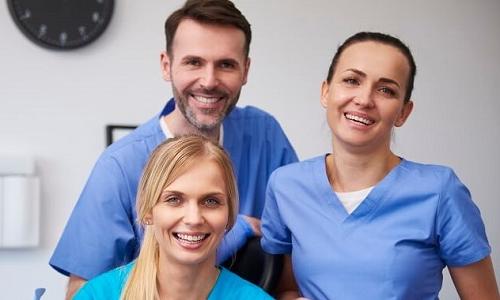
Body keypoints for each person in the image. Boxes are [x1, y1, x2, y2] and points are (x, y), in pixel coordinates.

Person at [50, 0, 297, 298]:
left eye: (226, 64)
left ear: (245, 69)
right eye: (194, 62)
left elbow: (293, 257)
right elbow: (82, 291)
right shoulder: (121, 165)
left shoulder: (264, 136)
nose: (209, 81)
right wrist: (239, 232)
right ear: (167, 65)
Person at [261, 32, 499, 299]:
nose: (364, 99)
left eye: (386, 90)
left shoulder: (440, 191)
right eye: (352, 80)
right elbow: (287, 290)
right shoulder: (287, 186)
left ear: (403, 112)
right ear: (326, 92)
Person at [73, 135, 274, 299]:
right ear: (147, 211)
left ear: (229, 214)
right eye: (174, 199)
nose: (194, 219)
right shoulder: (98, 295)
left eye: (211, 201)